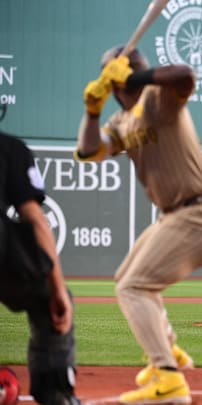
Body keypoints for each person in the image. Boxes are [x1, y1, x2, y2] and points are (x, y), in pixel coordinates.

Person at [75, 46, 202, 404]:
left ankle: (168, 378)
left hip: (199, 211)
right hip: (176, 215)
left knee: (135, 287)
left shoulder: (157, 98)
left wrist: (136, 77)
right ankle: (169, 351)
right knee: (126, 279)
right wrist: (91, 111)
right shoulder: (120, 121)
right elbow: (90, 152)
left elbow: (185, 76)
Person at [1, 108, 81, 404]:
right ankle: (56, 391)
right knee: (49, 300)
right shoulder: (10, 148)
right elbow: (35, 219)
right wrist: (57, 290)